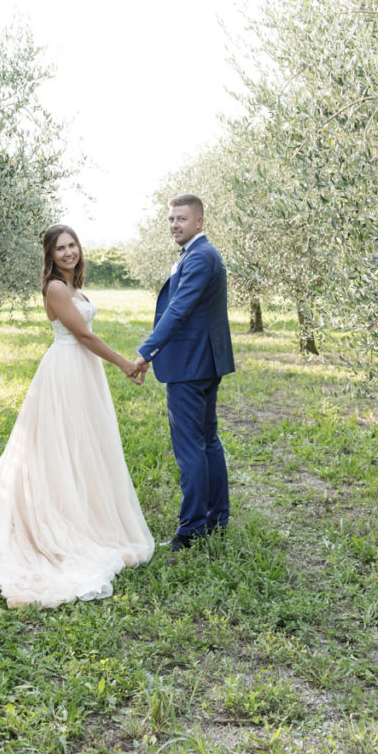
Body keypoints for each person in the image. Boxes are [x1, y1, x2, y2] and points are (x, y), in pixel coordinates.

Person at [0, 224, 154, 607]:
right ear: (49, 255)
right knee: (60, 446)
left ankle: (85, 514)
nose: (68, 253)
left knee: (84, 448)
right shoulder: (55, 288)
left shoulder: (73, 287)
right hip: (66, 369)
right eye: (60, 248)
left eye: (73, 246)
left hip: (83, 372)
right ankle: (60, 523)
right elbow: (83, 335)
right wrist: (124, 364)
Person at [134, 194, 234, 550]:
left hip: (191, 364)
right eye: (171, 219)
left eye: (182, 219)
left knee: (191, 447)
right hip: (202, 361)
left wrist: (146, 352)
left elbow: (177, 311)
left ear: (199, 222)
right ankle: (216, 519)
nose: (175, 225)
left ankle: (191, 530)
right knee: (207, 441)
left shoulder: (201, 256)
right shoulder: (196, 255)